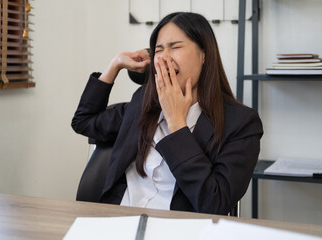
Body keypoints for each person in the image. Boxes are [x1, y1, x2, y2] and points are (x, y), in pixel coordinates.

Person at [71, 12, 263, 215]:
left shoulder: (241, 123)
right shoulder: (143, 102)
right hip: (117, 222)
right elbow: (84, 121)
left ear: (204, 54)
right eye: (159, 50)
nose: (164, 57)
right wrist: (115, 64)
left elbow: (214, 203)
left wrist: (177, 123)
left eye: (175, 47)